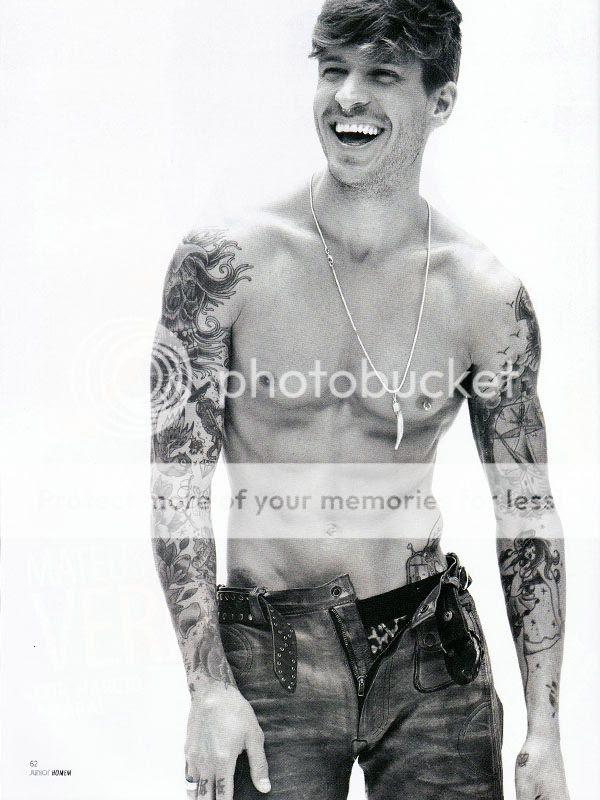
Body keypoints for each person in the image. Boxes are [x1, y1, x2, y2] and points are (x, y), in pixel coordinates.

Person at [149, 1, 570, 798]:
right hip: (269, 655)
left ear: (440, 101)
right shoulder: (226, 265)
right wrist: (207, 687)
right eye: (333, 69)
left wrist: (546, 731)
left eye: (382, 74)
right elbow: (177, 487)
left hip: (431, 655)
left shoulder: (484, 296)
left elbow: (527, 515)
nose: (348, 95)